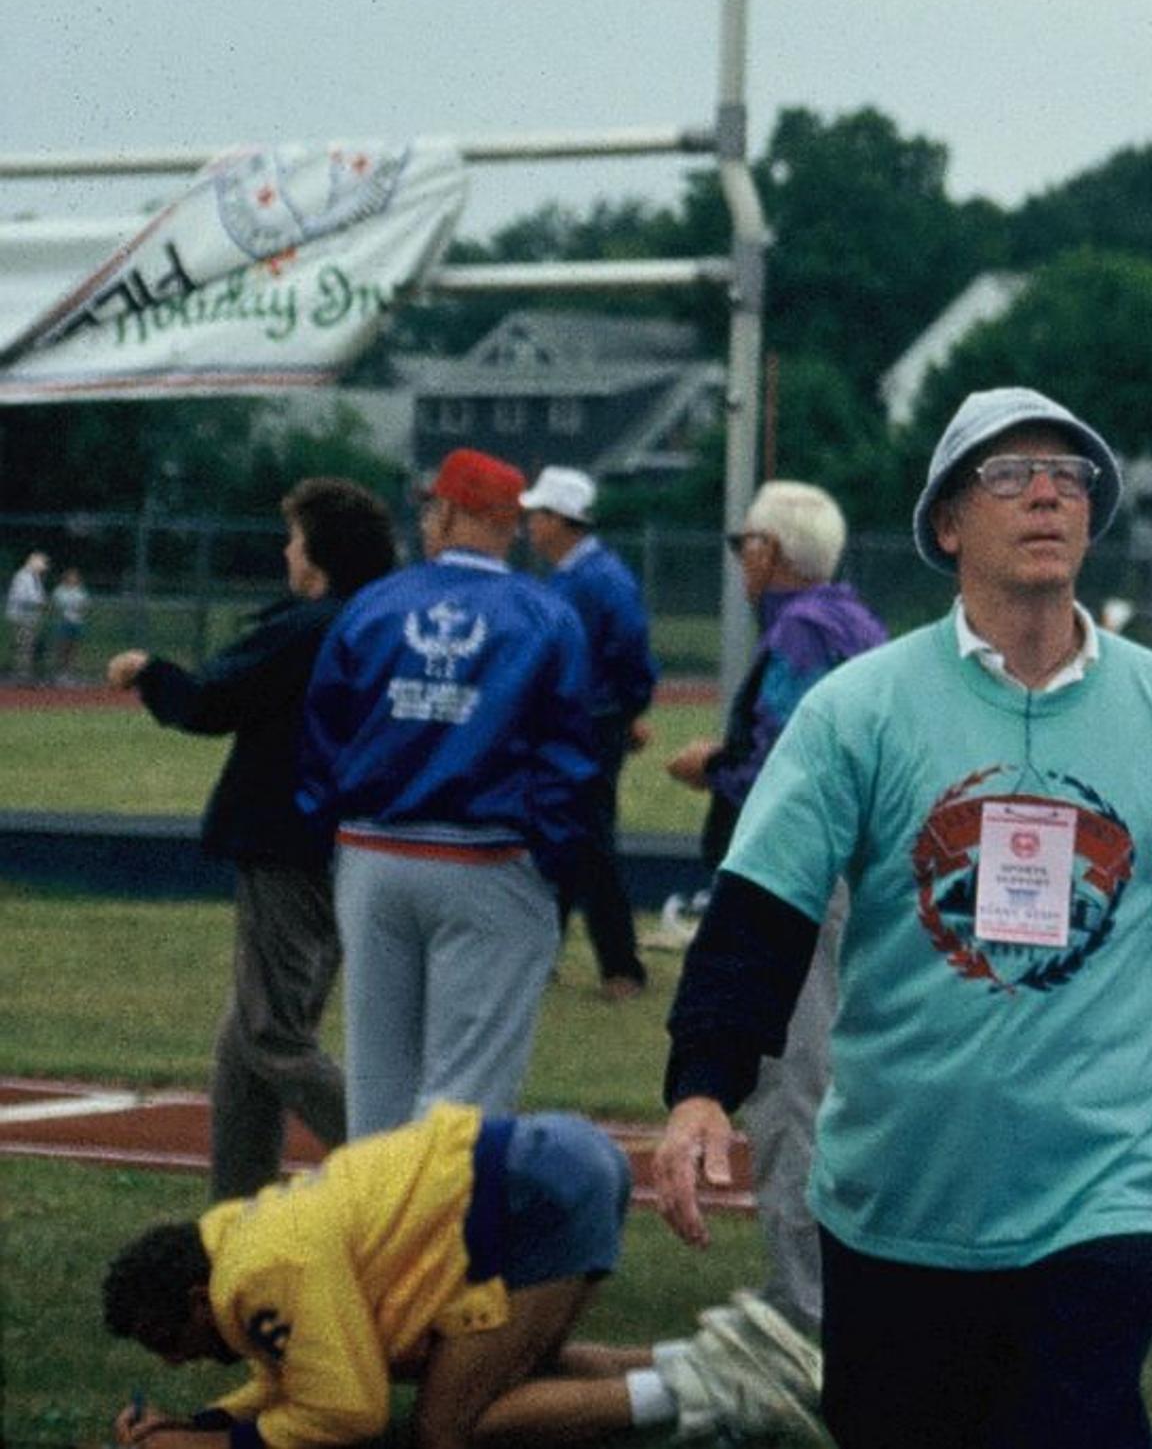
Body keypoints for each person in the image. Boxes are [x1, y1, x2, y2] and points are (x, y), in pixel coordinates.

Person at [653, 387, 1152, 1449]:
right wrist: (700, 1089)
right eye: (1010, 473)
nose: (1048, 491)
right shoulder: (858, 707)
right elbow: (757, 921)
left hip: (1095, 1197)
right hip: (894, 1203)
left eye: (1072, 476)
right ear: (948, 523)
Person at [96, 1100, 821, 1448]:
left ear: (198, 1298)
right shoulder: (246, 1246)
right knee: (515, 1368)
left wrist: (206, 1447)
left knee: (449, 1426)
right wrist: (199, 1422)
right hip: (548, 1162)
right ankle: (723, 1357)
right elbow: (303, 1378)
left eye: (167, 1336)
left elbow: (350, 1412)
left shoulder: (254, 1278)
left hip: (528, 1191)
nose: (170, 1357)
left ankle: (706, 1388)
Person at [102, 477, 399, 1198]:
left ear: (319, 555)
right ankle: (234, 1213)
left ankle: (410, 1178)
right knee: (244, 1047)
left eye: (295, 539)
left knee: (275, 1037)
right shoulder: (385, 618)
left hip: (286, 843)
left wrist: (150, 673)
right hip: (349, 844)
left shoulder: (310, 628)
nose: (286, 552)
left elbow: (212, 700)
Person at [300, 450, 600, 1140]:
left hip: (373, 855)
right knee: (465, 1097)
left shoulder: (374, 604)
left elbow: (322, 738)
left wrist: (334, 841)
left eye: (433, 506)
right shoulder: (545, 616)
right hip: (487, 862)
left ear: (450, 513)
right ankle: (436, 1245)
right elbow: (569, 761)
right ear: (511, 524)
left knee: (377, 1092)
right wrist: (551, 861)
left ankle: (375, 1240)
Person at [657, 479, 887, 1338]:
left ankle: (806, 1302)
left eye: (743, 543)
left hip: (801, 883)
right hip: (854, 877)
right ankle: (835, 1288)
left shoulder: (799, 630)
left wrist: (712, 769)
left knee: (792, 1090)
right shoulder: (856, 622)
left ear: (772, 552)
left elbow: (787, 773)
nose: (739, 561)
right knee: (830, 1081)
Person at [521, 467, 661, 1004]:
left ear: (561, 521)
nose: (530, 525)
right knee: (566, 837)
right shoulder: (585, 576)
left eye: (538, 515)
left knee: (588, 842)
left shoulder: (593, 580)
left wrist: (621, 710)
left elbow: (628, 650)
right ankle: (544, 956)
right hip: (583, 724)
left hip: (584, 727)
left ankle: (620, 967)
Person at [51, 559, 94, 680]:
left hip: (77, 622)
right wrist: (70, 610)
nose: (73, 578)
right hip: (64, 621)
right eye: (71, 576)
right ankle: (60, 673)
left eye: (75, 576)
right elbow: (57, 606)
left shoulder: (80, 591)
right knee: (63, 647)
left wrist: (80, 611)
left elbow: (85, 606)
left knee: (73, 649)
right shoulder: (60, 590)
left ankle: (70, 673)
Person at [6, 546, 43, 679]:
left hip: (30, 617)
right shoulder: (22, 576)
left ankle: (23, 672)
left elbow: (38, 596)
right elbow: (22, 598)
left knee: (27, 645)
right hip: (21, 616)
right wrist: (38, 604)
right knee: (23, 645)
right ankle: (20, 673)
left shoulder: (35, 576)